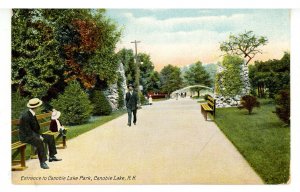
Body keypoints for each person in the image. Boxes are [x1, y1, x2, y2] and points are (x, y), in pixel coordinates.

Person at [19, 98, 62, 169]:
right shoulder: (26, 116)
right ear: (36, 107)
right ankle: (43, 162)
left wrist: (39, 135)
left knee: (49, 137)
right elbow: (27, 131)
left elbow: (35, 128)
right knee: (39, 141)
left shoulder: (32, 113)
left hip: (33, 134)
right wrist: (39, 136)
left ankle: (52, 156)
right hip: (26, 136)